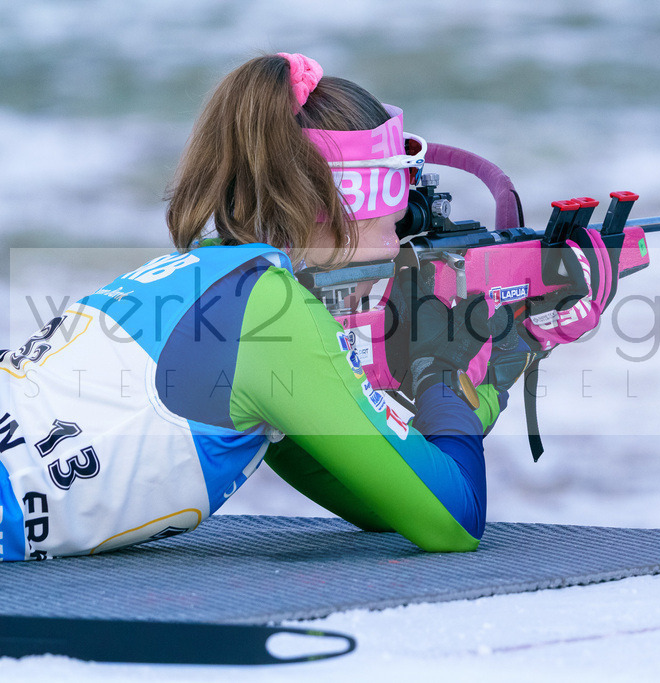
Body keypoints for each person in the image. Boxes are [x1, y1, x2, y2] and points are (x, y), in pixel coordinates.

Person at [0, 52, 614, 562]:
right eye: (401, 186)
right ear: (341, 196)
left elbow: (387, 497)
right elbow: (450, 523)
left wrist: (505, 358)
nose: (408, 217)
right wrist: (441, 368)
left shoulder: (219, 276)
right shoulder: (277, 319)